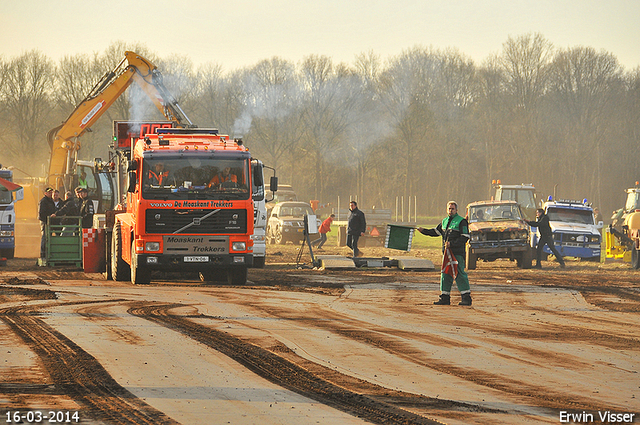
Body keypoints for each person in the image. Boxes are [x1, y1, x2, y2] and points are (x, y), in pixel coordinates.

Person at [417, 201, 472, 306]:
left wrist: (452, 244)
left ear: (456, 210)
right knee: (445, 274)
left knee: (459, 274)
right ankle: (444, 297)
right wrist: (423, 230)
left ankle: (466, 298)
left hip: (457, 253)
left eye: (453, 209)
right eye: (449, 209)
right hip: (447, 254)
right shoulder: (444, 221)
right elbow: (435, 232)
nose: (451, 211)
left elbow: (465, 237)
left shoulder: (462, 221)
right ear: (447, 210)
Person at [37, 187, 57, 263]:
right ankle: (43, 254)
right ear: (45, 193)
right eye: (49, 192)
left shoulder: (50, 201)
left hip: (49, 222)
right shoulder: (43, 201)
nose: (50, 193)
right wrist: (47, 220)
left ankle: (47, 253)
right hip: (45, 222)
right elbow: (41, 214)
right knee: (45, 236)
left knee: (49, 237)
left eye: (51, 192)